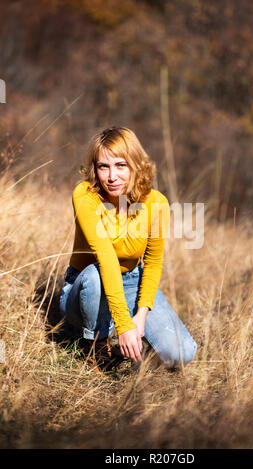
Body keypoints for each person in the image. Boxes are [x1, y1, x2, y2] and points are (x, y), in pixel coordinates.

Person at [59, 126, 197, 371]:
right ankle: (96, 345)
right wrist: (124, 324)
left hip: (131, 282)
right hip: (85, 286)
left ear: (136, 165)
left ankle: (132, 340)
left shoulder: (156, 203)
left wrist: (140, 318)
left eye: (121, 165)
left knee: (181, 353)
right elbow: (107, 258)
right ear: (95, 168)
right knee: (95, 274)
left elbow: (153, 263)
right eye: (104, 166)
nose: (112, 176)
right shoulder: (85, 195)